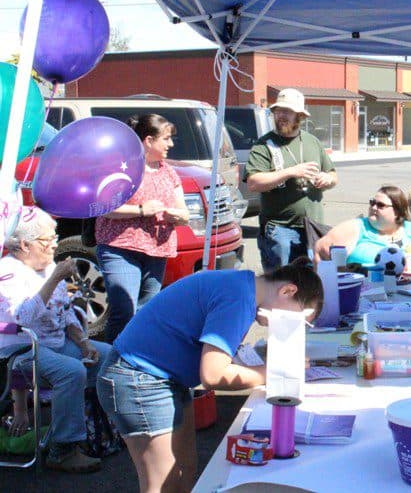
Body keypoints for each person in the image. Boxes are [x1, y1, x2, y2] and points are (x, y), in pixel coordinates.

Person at [96, 260, 323, 493]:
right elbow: (213, 374)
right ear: (287, 290)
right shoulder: (239, 298)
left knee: (186, 470)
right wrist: (275, 372)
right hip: (139, 378)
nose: (294, 328)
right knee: (164, 484)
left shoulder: (243, 288)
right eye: (298, 319)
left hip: (161, 378)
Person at [0, 207, 112, 473]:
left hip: (54, 344)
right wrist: (55, 278)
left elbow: (67, 312)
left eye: (54, 237)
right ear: (25, 245)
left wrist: (84, 342)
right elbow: (25, 317)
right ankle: (63, 448)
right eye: (46, 240)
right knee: (71, 372)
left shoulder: (48, 267)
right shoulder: (9, 272)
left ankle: (94, 426)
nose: (53, 244)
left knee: (107, 353)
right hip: (20, 351)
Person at [95, 113, 190, 342]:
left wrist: (178, 216)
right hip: (120, 247)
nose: (171, 144)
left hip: (157, 250)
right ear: (148, 140)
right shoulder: (122, 168)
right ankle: (112, 364)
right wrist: (140, 210)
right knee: (125, 310)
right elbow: (102, 207)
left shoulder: (169, 172)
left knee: (147, 311)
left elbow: (184, 212)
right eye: (166, 139)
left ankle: (136, 360)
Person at [244, 88, 338, 272]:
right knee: (281, 286)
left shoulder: (312, 142)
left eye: (287, 112)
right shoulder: (264, 145)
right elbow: (254, 182)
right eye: (278, 111)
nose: (281, 116)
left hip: (313, 228)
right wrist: (291, 172)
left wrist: (327, 179)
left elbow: (334, 175)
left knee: (311, 284)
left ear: (300, 116)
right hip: (280, 230)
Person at [315, 185, 411, 266]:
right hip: (365, 291)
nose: (374, 207)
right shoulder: (355, 227)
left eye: (380, 205)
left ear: (397, 211)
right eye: (372, 203)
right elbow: (320, 248)